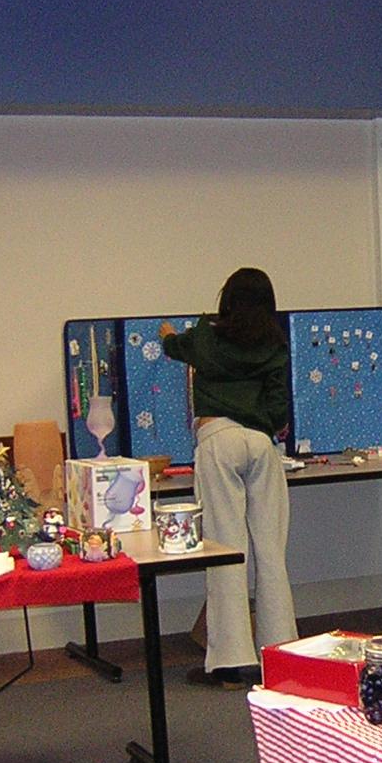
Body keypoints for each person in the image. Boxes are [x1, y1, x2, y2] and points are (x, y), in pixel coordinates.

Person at [160, 267, 297, 688]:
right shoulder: (275, 347)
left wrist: (166, 334)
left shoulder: (206, 336)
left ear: (228, 299)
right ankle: (281, 656)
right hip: (260, 445)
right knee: (271, 552)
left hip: (218, 439)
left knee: (226, 550)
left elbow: (173, 347)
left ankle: (232, 662)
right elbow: (278, 413)